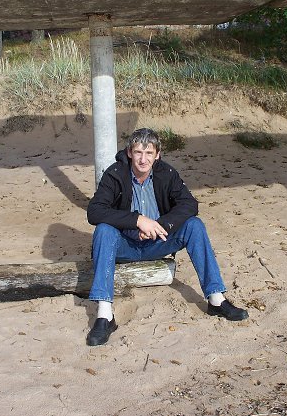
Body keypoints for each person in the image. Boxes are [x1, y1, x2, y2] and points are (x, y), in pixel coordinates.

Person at [86, 128, 248, 346]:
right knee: (104, 230)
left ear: (157, 155)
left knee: (194, 225)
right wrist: (137, 220)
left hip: (158, 242)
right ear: (129, 153)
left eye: (149, 153)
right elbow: (94, 211)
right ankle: (105, 315)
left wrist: (161, 225)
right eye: (138, 152)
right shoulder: (115, 173)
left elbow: (190, 204)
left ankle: (216, 299)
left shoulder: (167, 173)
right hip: (125, 245)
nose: (143, 159)